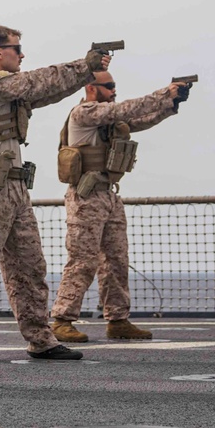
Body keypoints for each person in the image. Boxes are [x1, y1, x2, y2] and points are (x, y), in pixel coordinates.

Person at [0, 25, 110, 364]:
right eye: (16, 48)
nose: (22, 54)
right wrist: (85, 65)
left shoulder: (9, 90)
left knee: (29, 267)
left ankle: (41, 338)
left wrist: (85, 71)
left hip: (14, 189)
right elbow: (38, 82)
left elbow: (50, 90)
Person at [50, 71, 190, 342]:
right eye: (109, 86)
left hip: (108, 195)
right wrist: (164, 93)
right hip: (86, 196)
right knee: (83, 260)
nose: (114, 90)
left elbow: (141, 119)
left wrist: (172, 105)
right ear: (91, 88)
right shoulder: (84, 112)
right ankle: (62, 319)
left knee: (116, 259)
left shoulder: (108, 119)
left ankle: (118, 319)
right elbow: (129, 109)